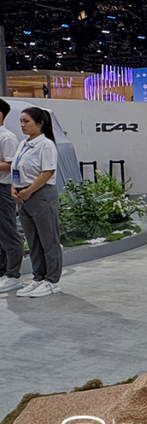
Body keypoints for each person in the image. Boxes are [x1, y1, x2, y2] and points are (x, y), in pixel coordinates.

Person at [10, 107, 63, 298]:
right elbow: (17, 168)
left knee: (48, 240)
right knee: (33, 240)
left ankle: (52, 280)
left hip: (40, 195)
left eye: (26, 121)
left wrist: (29, 191)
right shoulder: (23, 143)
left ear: (40, 123)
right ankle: (39, 277)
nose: (22, 125)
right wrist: (14, 187)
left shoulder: (46, 144)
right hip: (23, 195)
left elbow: (48, 171)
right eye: (21, 121)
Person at [0, 99, 24, 294]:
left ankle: (13, 275)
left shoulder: (7, 137)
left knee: (8, 232)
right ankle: (2, 272)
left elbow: (11, 165)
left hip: (3, 188)